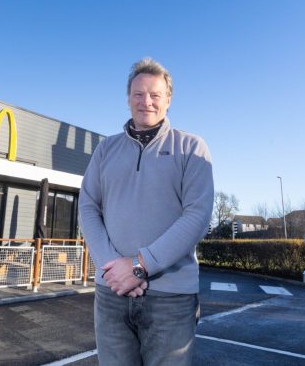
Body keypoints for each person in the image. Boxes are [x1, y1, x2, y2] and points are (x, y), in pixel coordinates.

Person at [78, 57, 214, 365]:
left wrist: (139, 267)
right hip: (111, 294)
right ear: (128, 99)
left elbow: (197, 216)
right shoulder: (105, 150)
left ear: (168, 99)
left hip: (171, 299)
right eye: (138, 94)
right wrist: (112, 267)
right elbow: (87, 206)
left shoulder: (192, 147)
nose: (146, 101)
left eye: (155, 94)